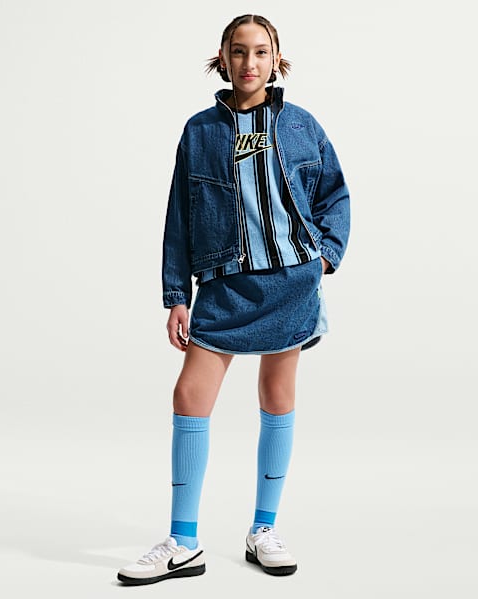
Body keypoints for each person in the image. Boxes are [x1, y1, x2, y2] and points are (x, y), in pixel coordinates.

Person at [117, 14, 350, 586]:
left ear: (277, 59)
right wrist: (177, 295)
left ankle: (263, 530)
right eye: (239, 51)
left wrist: (323, 258)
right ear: (222, 58)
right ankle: (183, 542)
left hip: (291, 282)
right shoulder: (199, 131)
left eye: (261, 51)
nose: (250, 62)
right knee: (190, 395)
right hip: (224, 283)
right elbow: (179, 216)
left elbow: (334, 195)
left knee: (277, 394)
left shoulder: (302, 125)